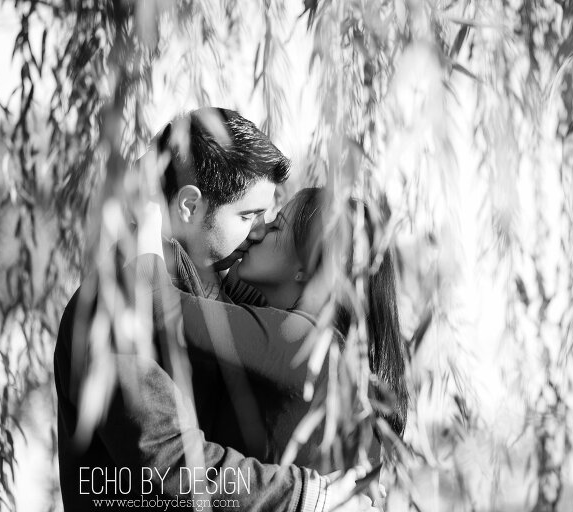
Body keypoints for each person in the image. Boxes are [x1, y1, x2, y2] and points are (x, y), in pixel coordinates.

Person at [55, 108, 378, 511]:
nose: (261, 230)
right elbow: (165, 460)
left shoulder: (223, 297)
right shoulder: (115, 303)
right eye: (248, 215)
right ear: (190, 206)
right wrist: (304, 494)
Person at [132, 187, 409, 473]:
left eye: (276, 227)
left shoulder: (300, 341)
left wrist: (147, 214)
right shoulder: (330, 351)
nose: (256, 233)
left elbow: (157, 303)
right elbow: (226, 280)